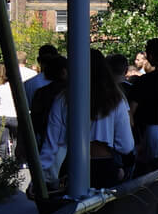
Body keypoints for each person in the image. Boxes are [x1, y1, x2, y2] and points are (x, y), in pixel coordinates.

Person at [43, 48, 134, 190]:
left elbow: (51, 142)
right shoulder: (116, 100)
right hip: (105, 167)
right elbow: (126, 145)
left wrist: (40, 177)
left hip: (72, 165)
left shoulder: (63, 98)